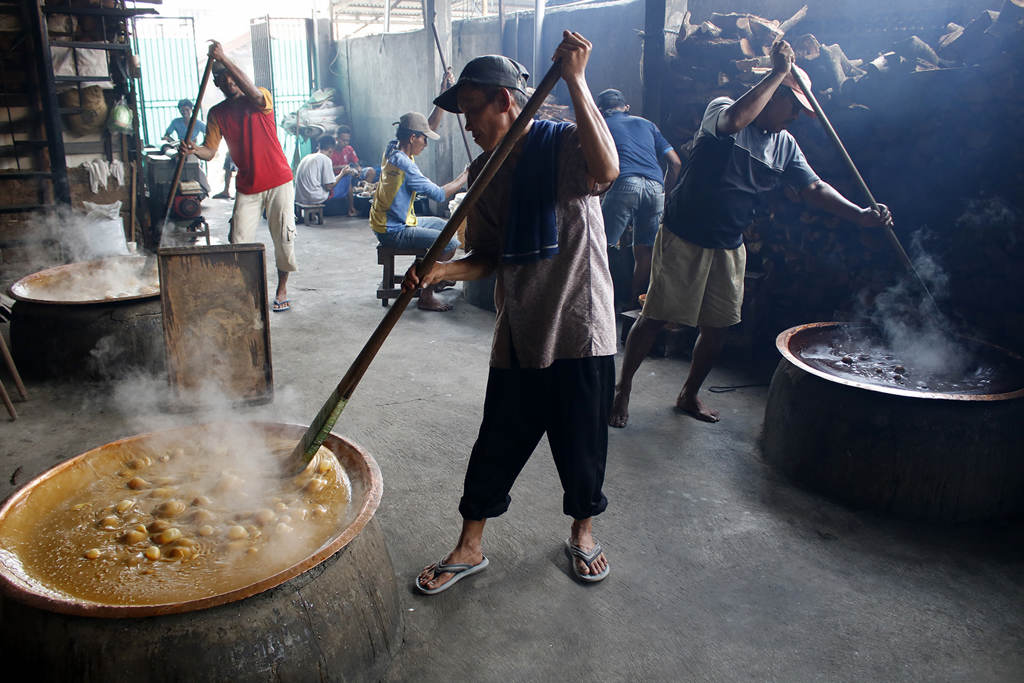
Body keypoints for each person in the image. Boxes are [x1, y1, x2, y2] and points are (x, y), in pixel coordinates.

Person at [404, 32, 620, 593]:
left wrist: (575, 79)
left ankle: (583, 531)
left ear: (505, 100)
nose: (468, 126)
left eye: (473, 111)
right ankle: (469, 545)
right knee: (496, 441)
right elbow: (487, 257)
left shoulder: (564, 145)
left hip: (579, 325)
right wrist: (440, 272)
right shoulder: (480, 179)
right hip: (521, 330)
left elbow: (608, 170)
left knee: (581, 444)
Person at [609, 40, 894, 427]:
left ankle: (688, 394)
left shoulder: (784, 146)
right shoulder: (723, 110)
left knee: (719, 327)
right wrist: (779, 71)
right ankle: (622, 389)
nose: (793, 120)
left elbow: (814, 188)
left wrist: (859, 215)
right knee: (656, 316)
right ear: (774, 95)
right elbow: (735, 121)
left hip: (730, 243)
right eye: (793, 109)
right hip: (685, 235)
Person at [182, 41, 297, 312]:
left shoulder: (260, 99)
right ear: (218, 84)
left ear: (239, 77)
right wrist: (193, 149)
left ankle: (281, 289)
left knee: (283, 237)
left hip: (279, 180)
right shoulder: (217, 114)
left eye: (233, 77)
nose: (230, 82)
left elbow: (255, 95)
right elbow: (210, 151)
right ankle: (247, 290)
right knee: (238, 240)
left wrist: (223, 57)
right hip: (248, 185)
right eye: (223, 79)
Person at [370, 109, 466, 311]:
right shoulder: (406, 166)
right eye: (424, 139)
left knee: (446, 226)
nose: (426, 144)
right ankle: (426, 293)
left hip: (393, 221)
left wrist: (441, 101)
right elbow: (440, 195)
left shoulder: (392, 148)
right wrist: (465, 175)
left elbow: (427, 126)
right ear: (413, 137)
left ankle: (433, 274)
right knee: (449, 244)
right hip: (393, 231)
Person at [596, 88, 682, 306]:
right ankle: (634, 303)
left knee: (600, 246)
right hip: (655, 187)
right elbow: (675, 163)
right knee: (645, 250)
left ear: (600, 110)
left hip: (624, 183)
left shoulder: (600, 124)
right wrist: (666, 194)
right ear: (626, 108)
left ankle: (601, 302)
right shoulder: (648, 124)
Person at [294, 134, 351, 222]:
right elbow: (329, 186)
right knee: (346, 181)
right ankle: (351, 209)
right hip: (313, 197)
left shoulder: (307, 157)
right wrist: (342, 173)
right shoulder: (325, 159)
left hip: (300, 197)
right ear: (330, 150)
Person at [327, 125, 377, 217]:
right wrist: (342, 168)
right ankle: (352, 208)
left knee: (371, 171)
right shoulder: (330, 151)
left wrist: (358, 170)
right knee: (347, 178)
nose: (346, 143)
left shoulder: (349, 149)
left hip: (350, 174)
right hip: (338, 178)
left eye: (347, 140)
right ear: (337, 138)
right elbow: (327, 169)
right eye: (343, 140)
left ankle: (363, 195)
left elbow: (356, 164)